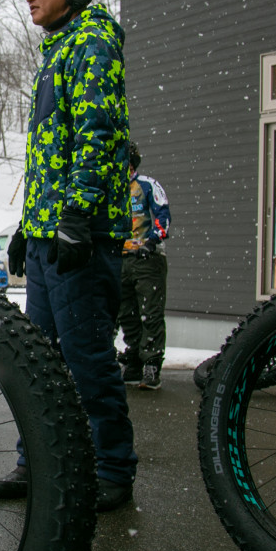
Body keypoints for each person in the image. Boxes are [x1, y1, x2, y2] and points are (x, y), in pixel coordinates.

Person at [0, 0, 138, 513]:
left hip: (84, 239)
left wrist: (77, 218)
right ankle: (40, 462)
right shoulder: (57, 49)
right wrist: (29, 227)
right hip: (51, 238)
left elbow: (100, 135)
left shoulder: (94, 43)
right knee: (39, 359)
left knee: (87, 360)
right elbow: (51, 154)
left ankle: (113, 469)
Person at [117, 143, 172, 390]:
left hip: (147, 259)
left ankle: (152, 363)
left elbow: (163, 215)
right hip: (120, 259)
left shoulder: (148, 184)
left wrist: (152, 241)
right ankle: (135, 360)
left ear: (131, 163)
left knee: (150, 310)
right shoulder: (112, 189)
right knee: (124, 312)